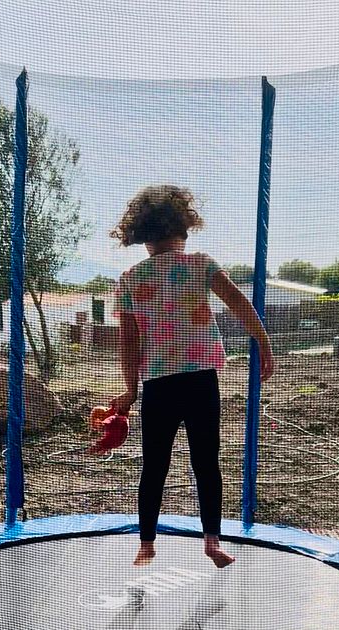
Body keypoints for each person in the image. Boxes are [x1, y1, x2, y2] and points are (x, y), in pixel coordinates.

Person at [110, 185, 274, 568]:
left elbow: (128, 340)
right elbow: (238, 301)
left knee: (154, 465)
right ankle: (212, 540)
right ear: (184, 228)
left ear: (140, 235)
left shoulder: (130, 277)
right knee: (206, 461)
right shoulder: (201, 264)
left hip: (157, 385)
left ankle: (146, 543)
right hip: (200, 381)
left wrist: (129, 389)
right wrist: (263, 341)